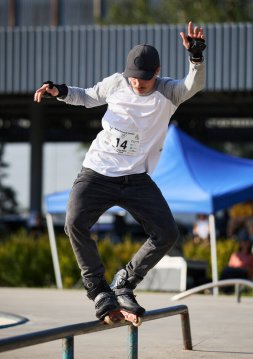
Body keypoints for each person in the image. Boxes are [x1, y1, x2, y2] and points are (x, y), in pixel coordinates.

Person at [34, 21, 206, 323]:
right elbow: (87, 96)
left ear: (157, 71)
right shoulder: (117, 82)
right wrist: (59, 90)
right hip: (97, 172)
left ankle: (124, 282)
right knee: (74, 223)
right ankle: (99, 291)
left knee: (167, 233)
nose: (137, 84)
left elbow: (194, 85)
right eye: (134, 79)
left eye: (144, 79)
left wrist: (196, 59)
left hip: (136, 179)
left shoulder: (169, 92)